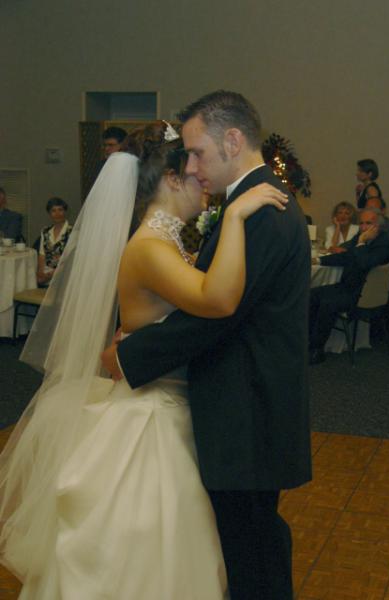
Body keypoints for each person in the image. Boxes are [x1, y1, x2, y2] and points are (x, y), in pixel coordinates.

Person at [0, 121, 288, 599]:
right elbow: (217, 300)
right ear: (171, 179)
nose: (204, 180)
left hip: (173, 404)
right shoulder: (151, 248)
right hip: (151, 418)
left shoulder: (166, 243)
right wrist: (236, 217)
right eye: (194, 171)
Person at [102, 90, 312, 600]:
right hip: (243, 410)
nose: (192, 165)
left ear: (232, 141)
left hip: (247, 414)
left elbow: (219, 314)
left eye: (197, 152)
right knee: (248, 550)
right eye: (187, 158)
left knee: (254, 558)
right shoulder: (254, 203)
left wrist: (128, 354)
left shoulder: (259, 210)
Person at [309, 207, 389, 364]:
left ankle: (317, 349)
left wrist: (360, 243)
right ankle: (308, 342)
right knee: (311, 294)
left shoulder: (384, 243)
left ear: (378, 226)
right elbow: (346, 256)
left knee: (327, 303)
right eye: (361, 223)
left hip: (363, 294)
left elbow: (363, 262)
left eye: (368, 223)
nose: (364, 227)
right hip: (348, 287)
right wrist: (318, 260)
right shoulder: (361, 238)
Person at [37, 197, 72, 287]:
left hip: (64, 275)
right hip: (46, 275)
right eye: (53, 211)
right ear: (49, 213)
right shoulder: (45, 231)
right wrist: (41, 272)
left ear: (65, 212)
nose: (57, 214)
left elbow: (70, 260)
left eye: (60, 210)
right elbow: (42, 255)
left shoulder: (73, 232)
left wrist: (51, 275)